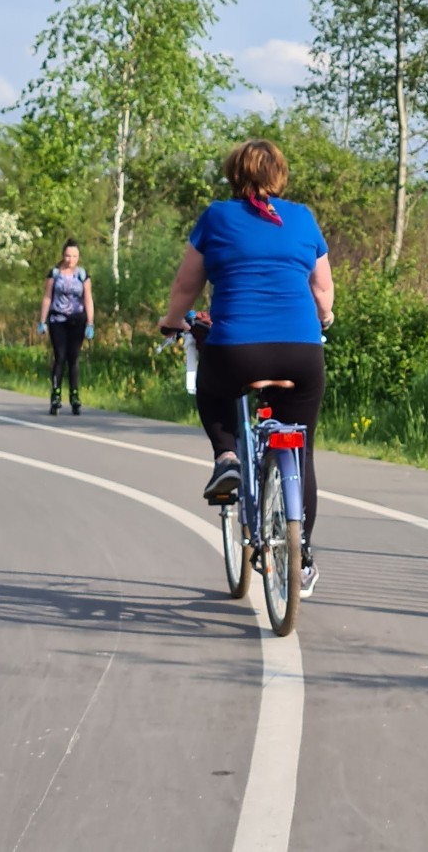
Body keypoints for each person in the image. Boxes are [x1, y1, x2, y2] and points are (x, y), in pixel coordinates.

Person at [158, 139, 334, 598]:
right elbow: (323, 293)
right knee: (304, 448)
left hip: (238, 351)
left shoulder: (217, 217)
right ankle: (304, 556)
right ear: (281, 175)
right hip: (302, 352)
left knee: (213, 391)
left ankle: (228, 457)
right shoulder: (303, 218)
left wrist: (174, 322)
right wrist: (326, 318)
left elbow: (185, 286)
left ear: (234, 174)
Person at [37, 238, 95, 415]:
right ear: (63, 256)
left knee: (74, 358)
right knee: (60, 356)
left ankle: (74, 396)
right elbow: (47, 297)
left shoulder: (82, 275)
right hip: (58, 320)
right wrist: (42, 320)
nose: (71, 259)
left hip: (77, 321)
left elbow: (88, 299)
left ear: (78, 257)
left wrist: (90, 323)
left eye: (75, 256)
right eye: (68, 256)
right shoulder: (54, 274)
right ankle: (55, 395)